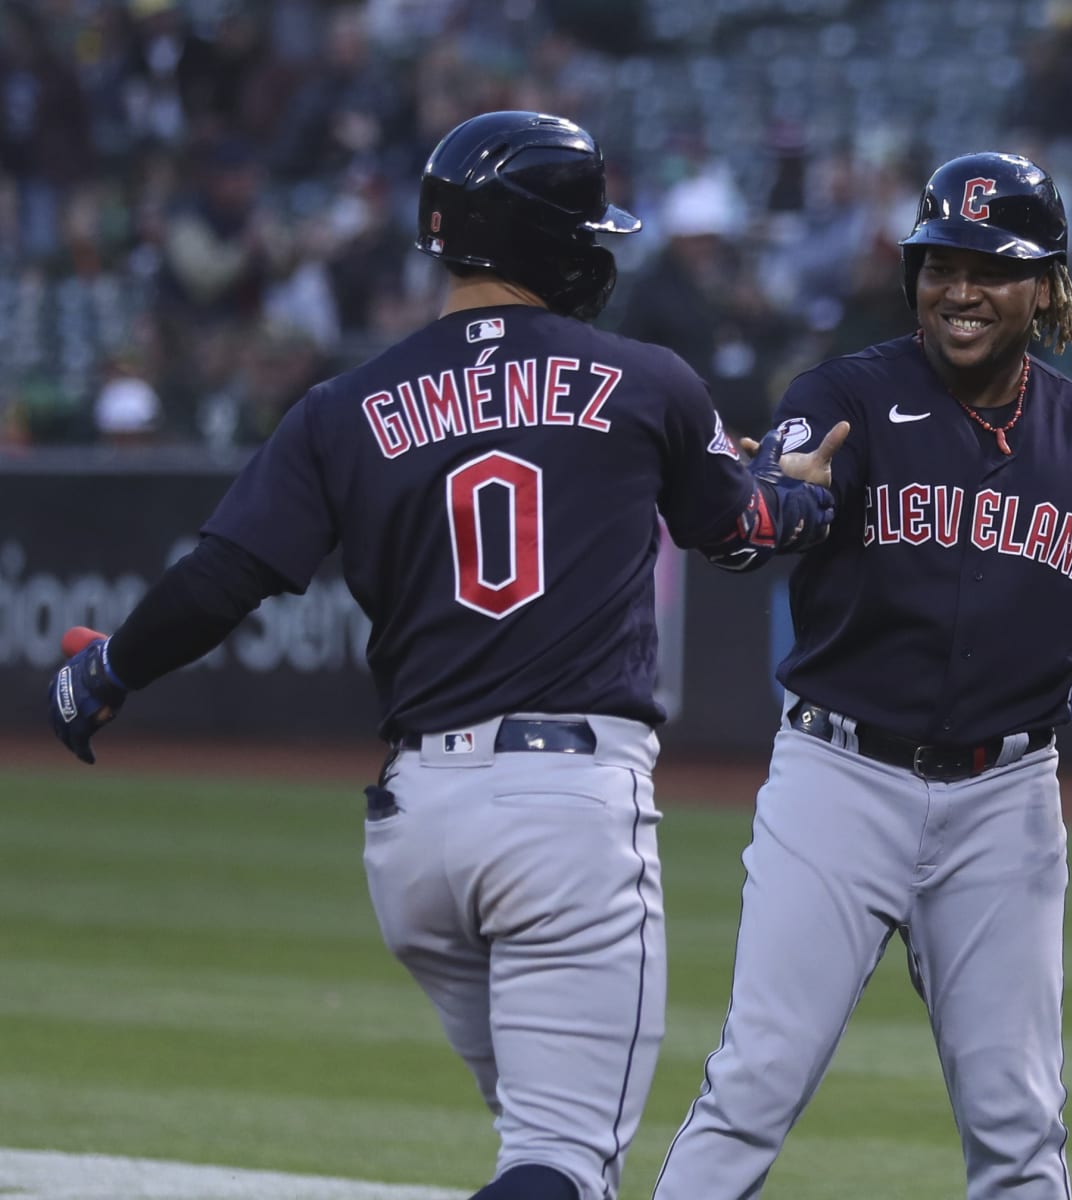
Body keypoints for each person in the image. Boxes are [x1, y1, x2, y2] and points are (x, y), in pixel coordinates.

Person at [45, 110, 842, 1200]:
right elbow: (745, 535)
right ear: (552, 244)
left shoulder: (344, 404)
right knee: (563, 1162)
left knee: (544, 1156)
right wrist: (803, 498)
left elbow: (219, 579)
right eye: (587, 232)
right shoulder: (647, 380)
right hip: (564, 812)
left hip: (415, 833)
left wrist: (109, 672)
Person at [652, 152, 1072, 1200]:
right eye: (940, 263)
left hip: (1006, 797)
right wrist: (773, 504)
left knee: (1019, 1120)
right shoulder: (846, 393)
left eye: (991, 269)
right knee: (756, 1081)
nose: (959, 290)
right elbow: (764, 512)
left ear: (1045, 285)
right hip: (840, 777)